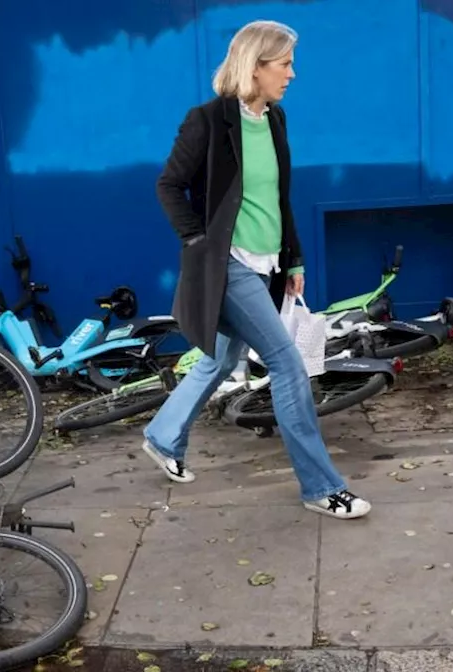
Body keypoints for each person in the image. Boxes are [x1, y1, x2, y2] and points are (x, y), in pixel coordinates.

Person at [140, 19, 371, 520]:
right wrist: (199, 242)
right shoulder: (207, 121)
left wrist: (294, 259)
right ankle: (320, 486)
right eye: (284, 64)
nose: (292, 73)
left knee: (219, 361)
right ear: (256, 66)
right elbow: (168, 185)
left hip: (267, 265)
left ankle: (162, 435)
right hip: (229, 267)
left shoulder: (275, 120)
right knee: (287, 364)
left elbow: (278, 198)